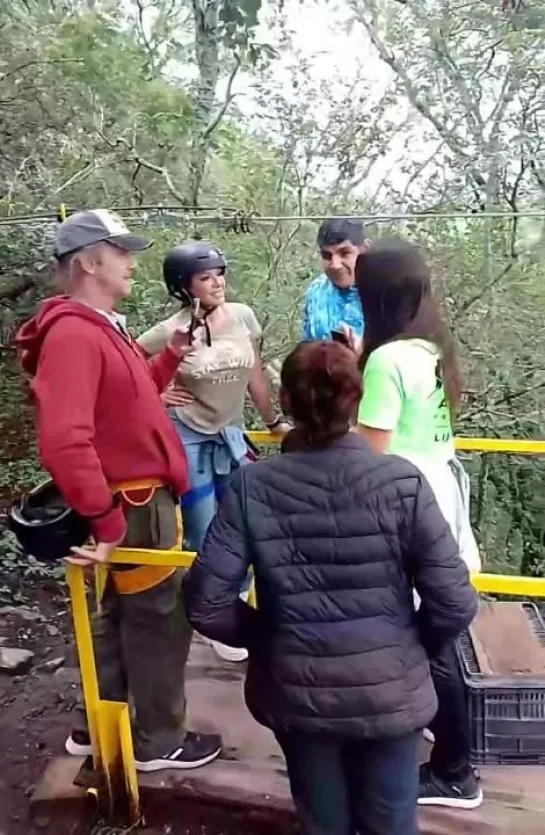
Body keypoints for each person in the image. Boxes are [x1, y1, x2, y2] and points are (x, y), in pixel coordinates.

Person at [182, 340, 478, 835]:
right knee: (392, 823)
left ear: (290, 405)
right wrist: (407, 646)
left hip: (299, 695)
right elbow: (455, 598)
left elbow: (206, 602)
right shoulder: (402, 482)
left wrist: (269, 638)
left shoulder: (255, 487)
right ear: (356, 400)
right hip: (391, 693)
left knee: (323, 823)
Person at [15, 209, 222, 772]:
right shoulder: (75, 335)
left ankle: (95, 724)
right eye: (121, 250)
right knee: (158, 618)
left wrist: (172, 355)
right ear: (88, 261)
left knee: (122, 616)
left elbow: (131, 401)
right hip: (130, 503)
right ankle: (160, 741)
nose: (132, 261)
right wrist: (105, 521)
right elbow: (65, 440)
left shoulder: (102, 325)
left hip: (133, 499)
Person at [354, 236, 482, 809]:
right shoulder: (431, 347)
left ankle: (455, 770)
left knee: (434, 643)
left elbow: (370, 454)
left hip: (406, 507)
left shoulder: (385, 360)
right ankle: (446, 745)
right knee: (440, 629)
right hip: (441, 494)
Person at [138, 241, 289, 663]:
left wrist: (273, 420)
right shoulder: (171, 330)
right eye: (206, 277)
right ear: (184, 286)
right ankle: (212, 617)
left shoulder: (241, 316)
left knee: (244, 521)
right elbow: (126, 364)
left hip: (231, 433)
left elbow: (255, 372)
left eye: (220, 273)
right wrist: (156, 391)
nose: (217, 282)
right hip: (187, 435)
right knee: (204, 530)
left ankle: (238, 603)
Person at [302, 218, 370, 343]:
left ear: (364, 249)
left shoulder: (384, 292)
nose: (335, 265)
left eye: (344, 253)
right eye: (327, 256)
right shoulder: (316, 292)